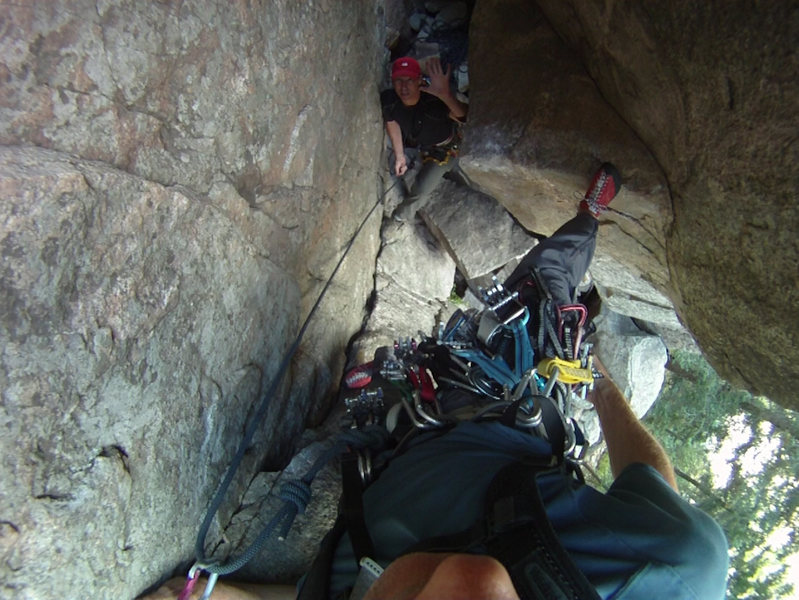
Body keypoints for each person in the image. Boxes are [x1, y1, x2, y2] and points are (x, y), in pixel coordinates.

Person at [142, 164, 729, 600]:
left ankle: (586, 224)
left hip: (454, 436)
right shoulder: (685, 574)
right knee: (546, 306)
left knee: (543, 291)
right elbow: (651, 485)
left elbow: (471, 582)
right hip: (419, 480)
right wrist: (595, 380)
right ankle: (586, 225)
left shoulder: (690, 571)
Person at [381, 56, 468, 221]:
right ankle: (400, 218)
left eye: (409, 80)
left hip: (447, 150)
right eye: (399, 80)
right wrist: (399, 156)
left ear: (419, 81)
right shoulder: (390, 101)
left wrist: (446, 95)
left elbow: (464, 117)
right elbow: (391, 122)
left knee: (421, 189)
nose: (404, 86)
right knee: (421, 187)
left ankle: (398, 219)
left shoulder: (435, 101)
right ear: (392, 82)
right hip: (426, 147)